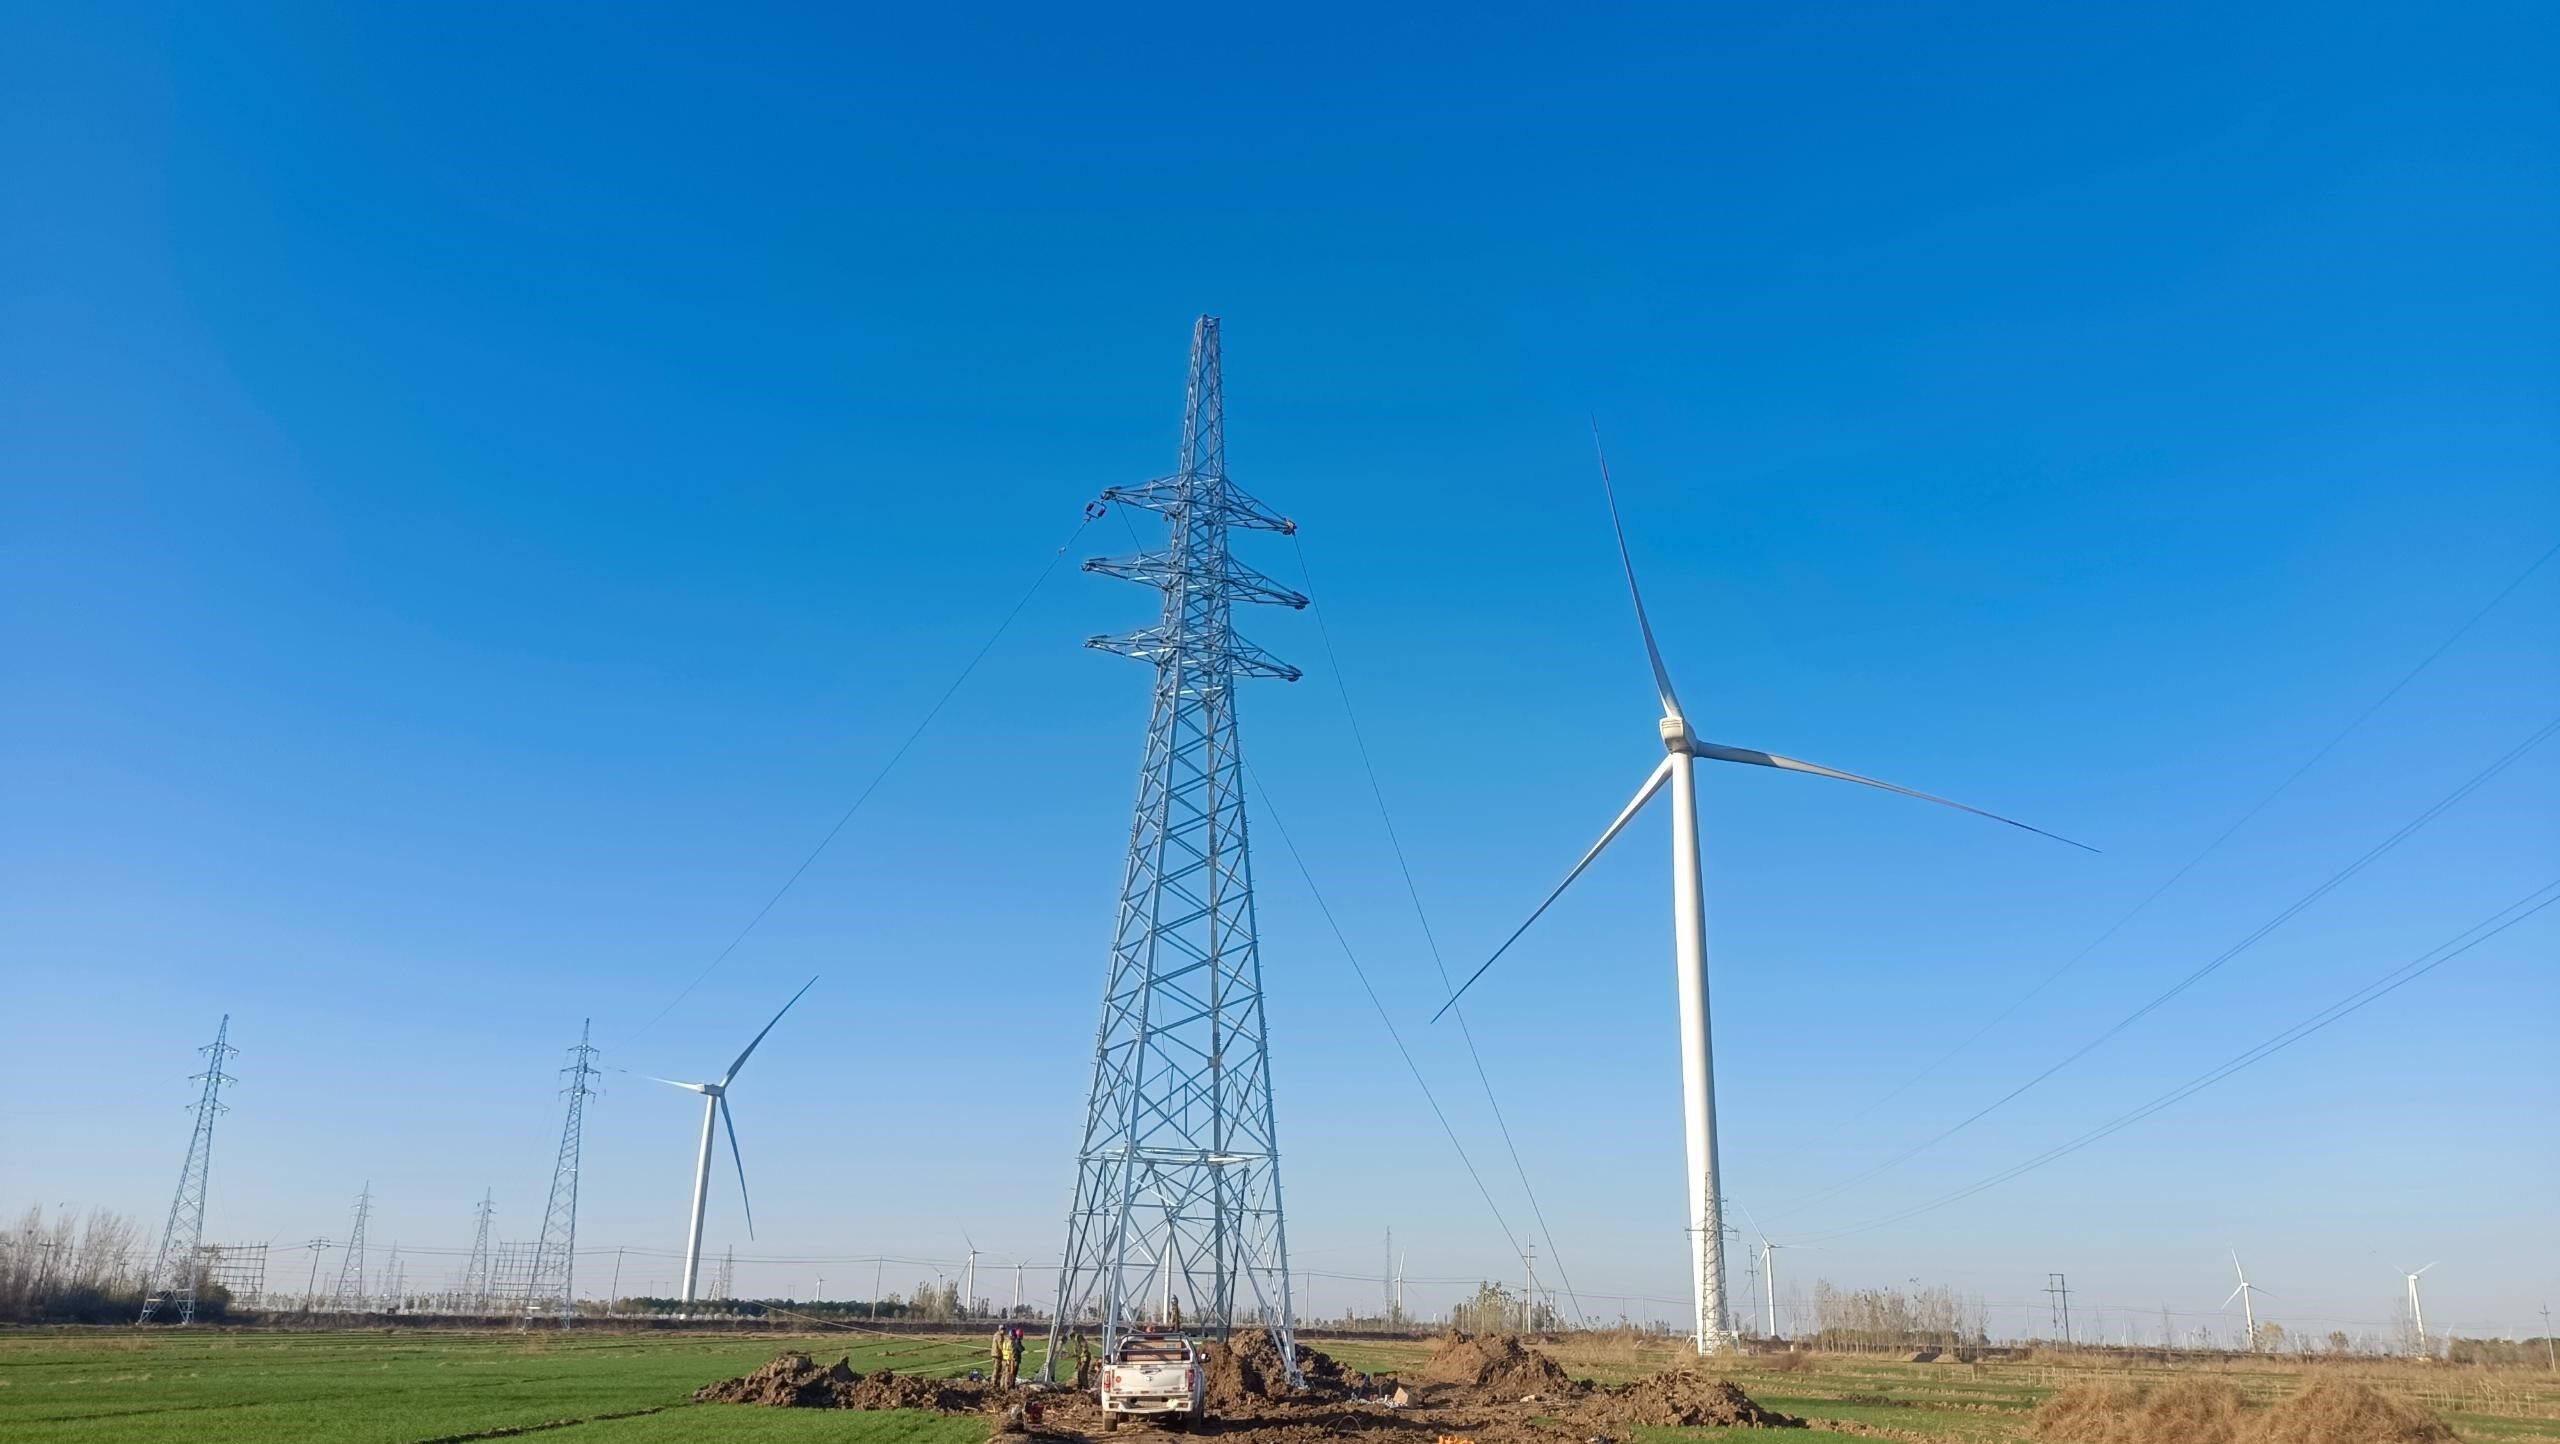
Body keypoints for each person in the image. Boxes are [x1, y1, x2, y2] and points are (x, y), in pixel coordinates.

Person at [1004, 1322, 1026, 1388]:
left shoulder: (1015, 1340)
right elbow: (1021, 1349)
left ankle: (1011, 1384)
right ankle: (1011, 1385)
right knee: (1014, 1372)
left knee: (1012, 1372)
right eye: (1022, 1335)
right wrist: (1023, 1348)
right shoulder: (1017, 1341)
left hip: (1013, 1359)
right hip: (1015, 1359)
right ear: (1020, 1335)